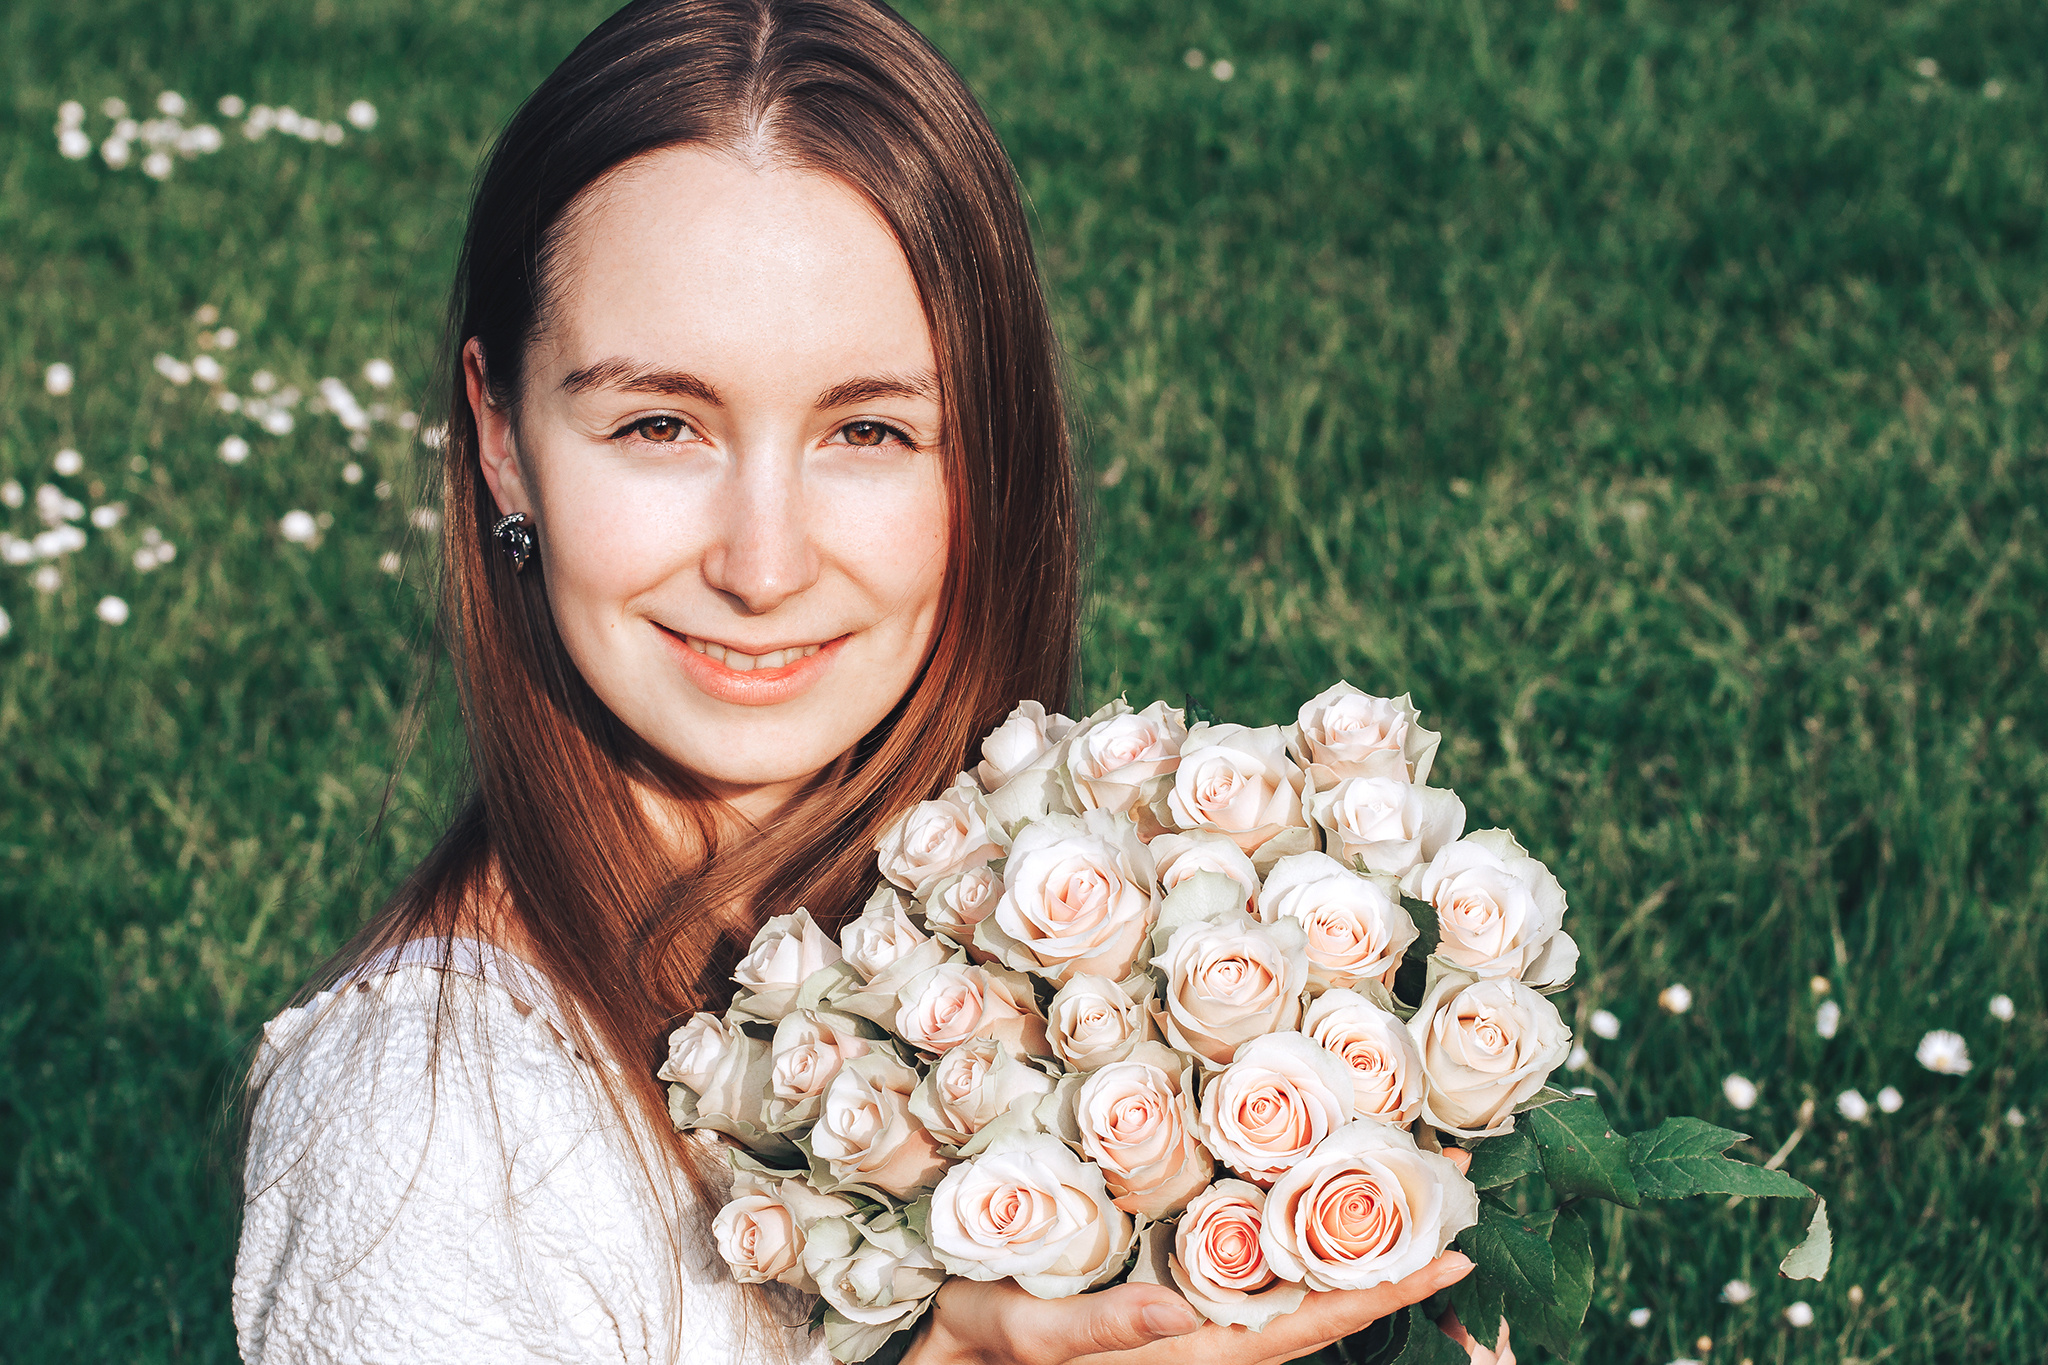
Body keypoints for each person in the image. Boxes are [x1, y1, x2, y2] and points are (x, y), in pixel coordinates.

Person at [232, 2, 1511, 1362]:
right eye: (659, 424)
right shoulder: (427, 1151)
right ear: (501, 439)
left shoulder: (1083, 986)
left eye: (869, 430)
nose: (763, 564)